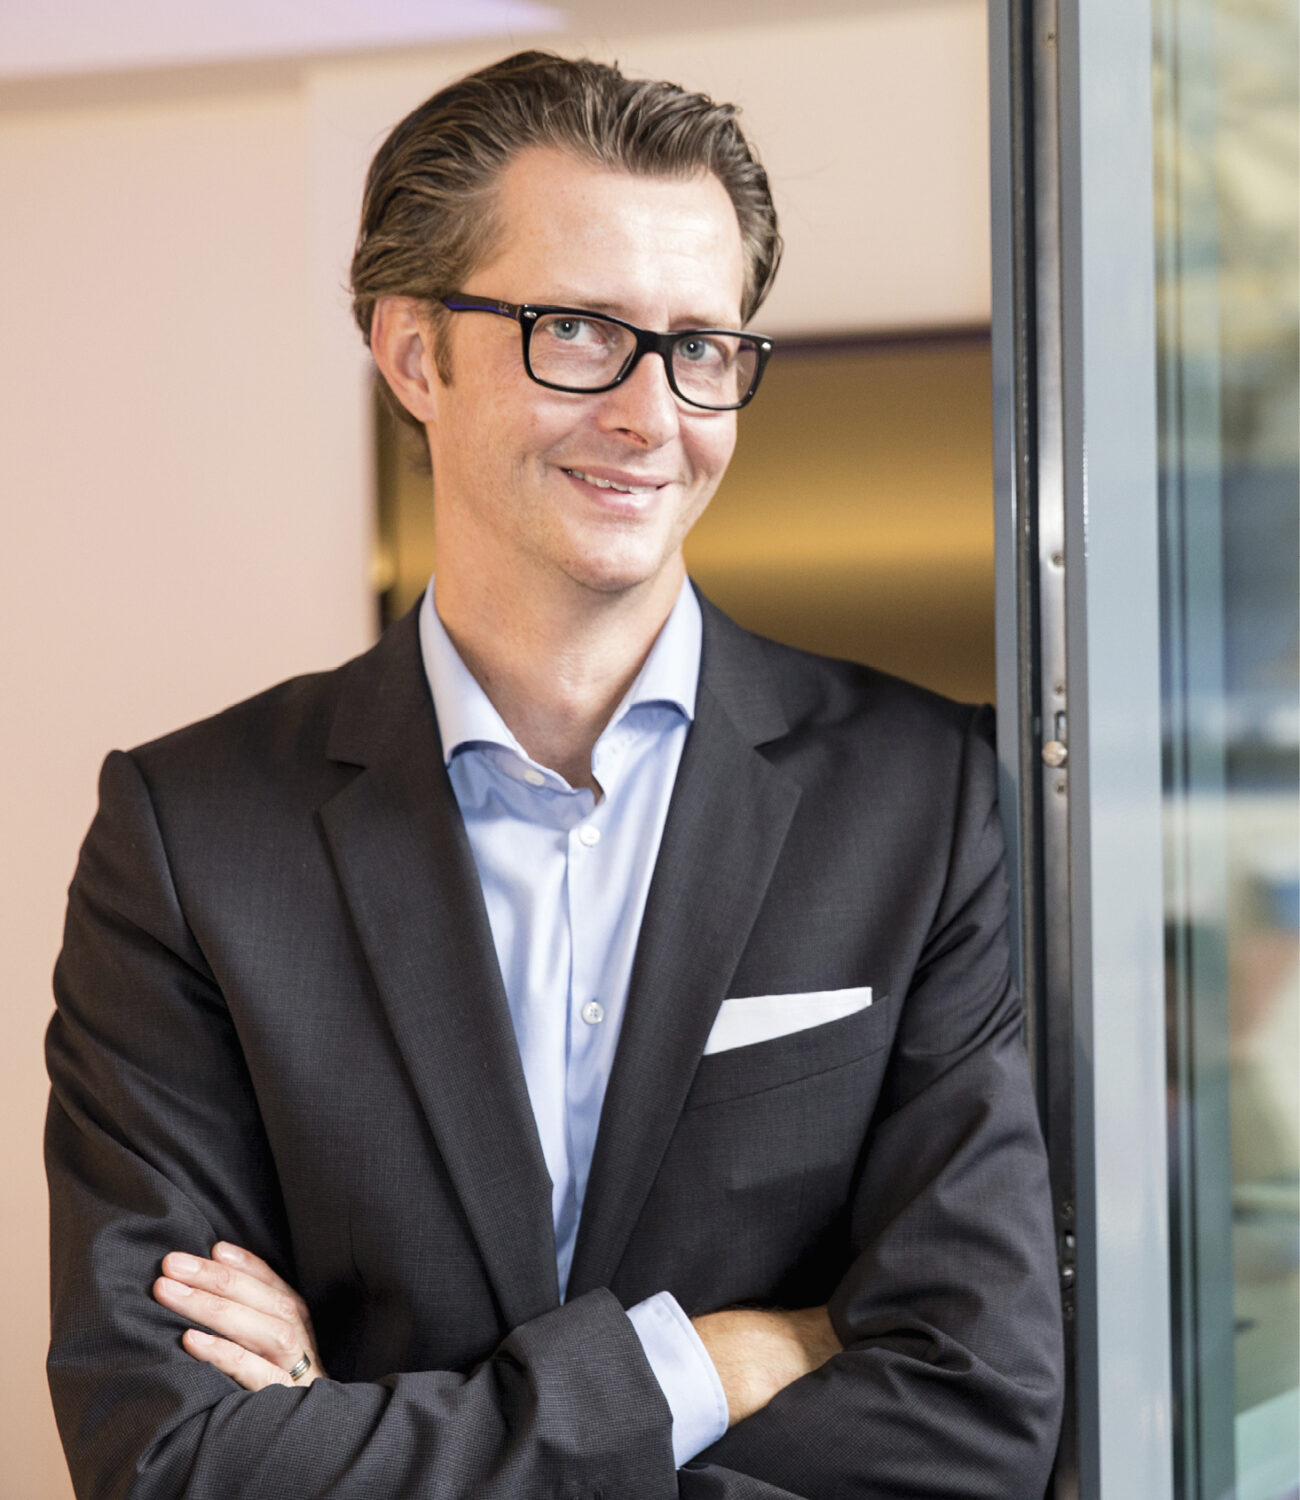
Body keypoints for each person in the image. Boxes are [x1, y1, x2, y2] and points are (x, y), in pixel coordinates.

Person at [46, 50, 1064, 1500]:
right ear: (415, 354)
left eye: (701, 346)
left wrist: (354, 1435)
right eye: (578, 331)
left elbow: (975, 1412)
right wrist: (703, 1366)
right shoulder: (191, 838)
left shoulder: (932, 800)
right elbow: (173, 1459)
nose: (653, 415)